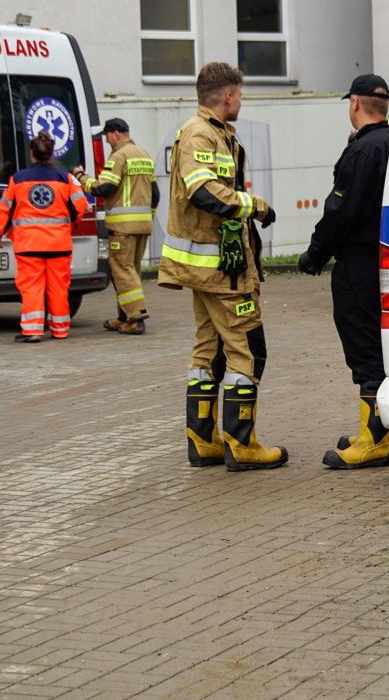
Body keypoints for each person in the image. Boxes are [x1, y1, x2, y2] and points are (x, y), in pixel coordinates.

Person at [158, 61, 283, 471]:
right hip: (221, 274)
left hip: (211, 270)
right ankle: (240, 444)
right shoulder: (200, 134)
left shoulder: (214, 134)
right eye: (240, 95)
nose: (241, 101)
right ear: (228, 96)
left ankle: (204, 440)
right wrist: (255, 206)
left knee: (207, 351)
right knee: (248, 350)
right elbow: (202, 191)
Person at [297, 75, 389, 469]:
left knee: (365, 349)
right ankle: (382, 430)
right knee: (381, 345)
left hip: (358, 264)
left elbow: (341, 211)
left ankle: (373, 441)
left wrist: (314, 255)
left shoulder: (363, 150)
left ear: (355, 103)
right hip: (386, 259)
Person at [0, 133, 89, 342]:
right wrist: (69, 222)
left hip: (28, 244)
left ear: (32, 153)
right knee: (58, 288)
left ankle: (33, 330)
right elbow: (81, 205)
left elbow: (4, 209)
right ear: (51, 153)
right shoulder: (67, 178)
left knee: (31, 288)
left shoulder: (18, 179)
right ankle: (60, 329)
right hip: (59, 244)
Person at [71, 118, 157, 335]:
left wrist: (81, 177)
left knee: (122, 270)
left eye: (107, 136)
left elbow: (105, 189)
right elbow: (155, 195)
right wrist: (147, 218)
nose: (107, 140)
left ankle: (136, 318)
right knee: (131, 271)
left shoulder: (119, 157)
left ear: (116, 133)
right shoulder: (144, 155)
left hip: (123, 228)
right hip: (143, 226)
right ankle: (123, 317)